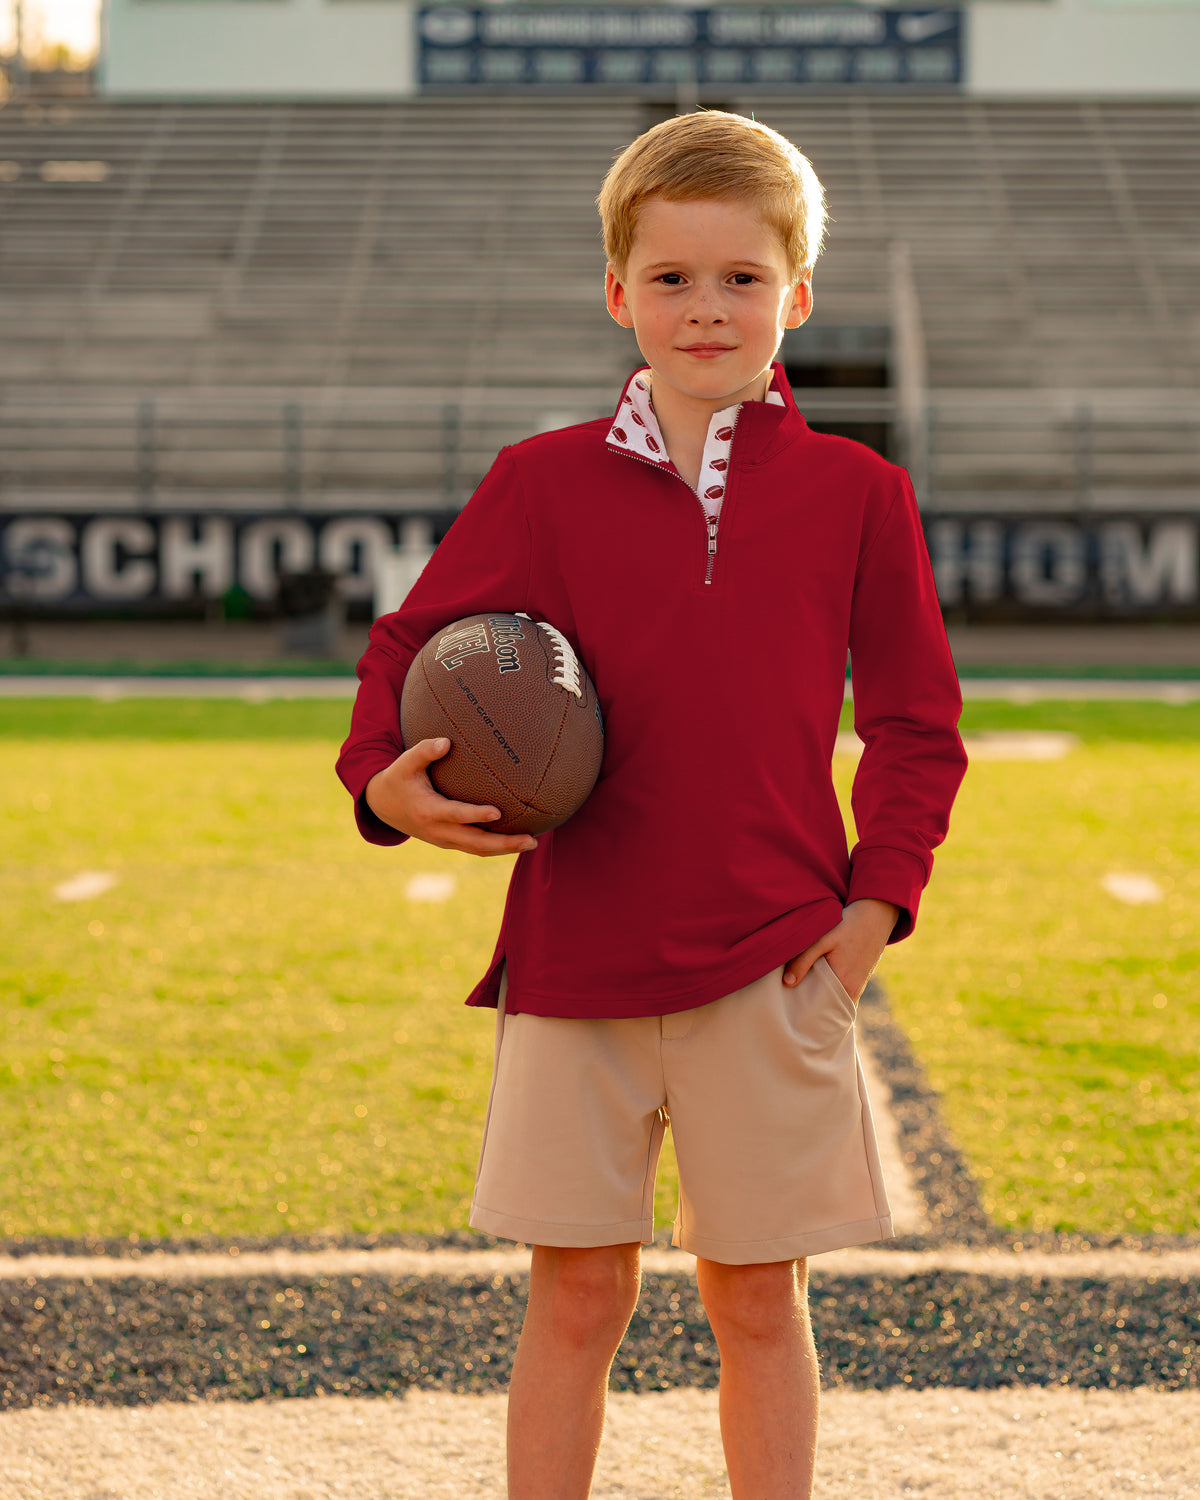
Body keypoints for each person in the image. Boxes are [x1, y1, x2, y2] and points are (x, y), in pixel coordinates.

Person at [336, 109, 968, 1500]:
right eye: (672, 278)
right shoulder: (541, 481)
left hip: (774, 958)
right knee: (574, 1295)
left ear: (797, 296)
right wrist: (380, 780)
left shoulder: (860, 495)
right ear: (617, 290)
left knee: (756, 1301)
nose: (706, 308)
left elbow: (918, 726)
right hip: (578, 958)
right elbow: (408, 650)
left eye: (742, 277)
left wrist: (874, 910)